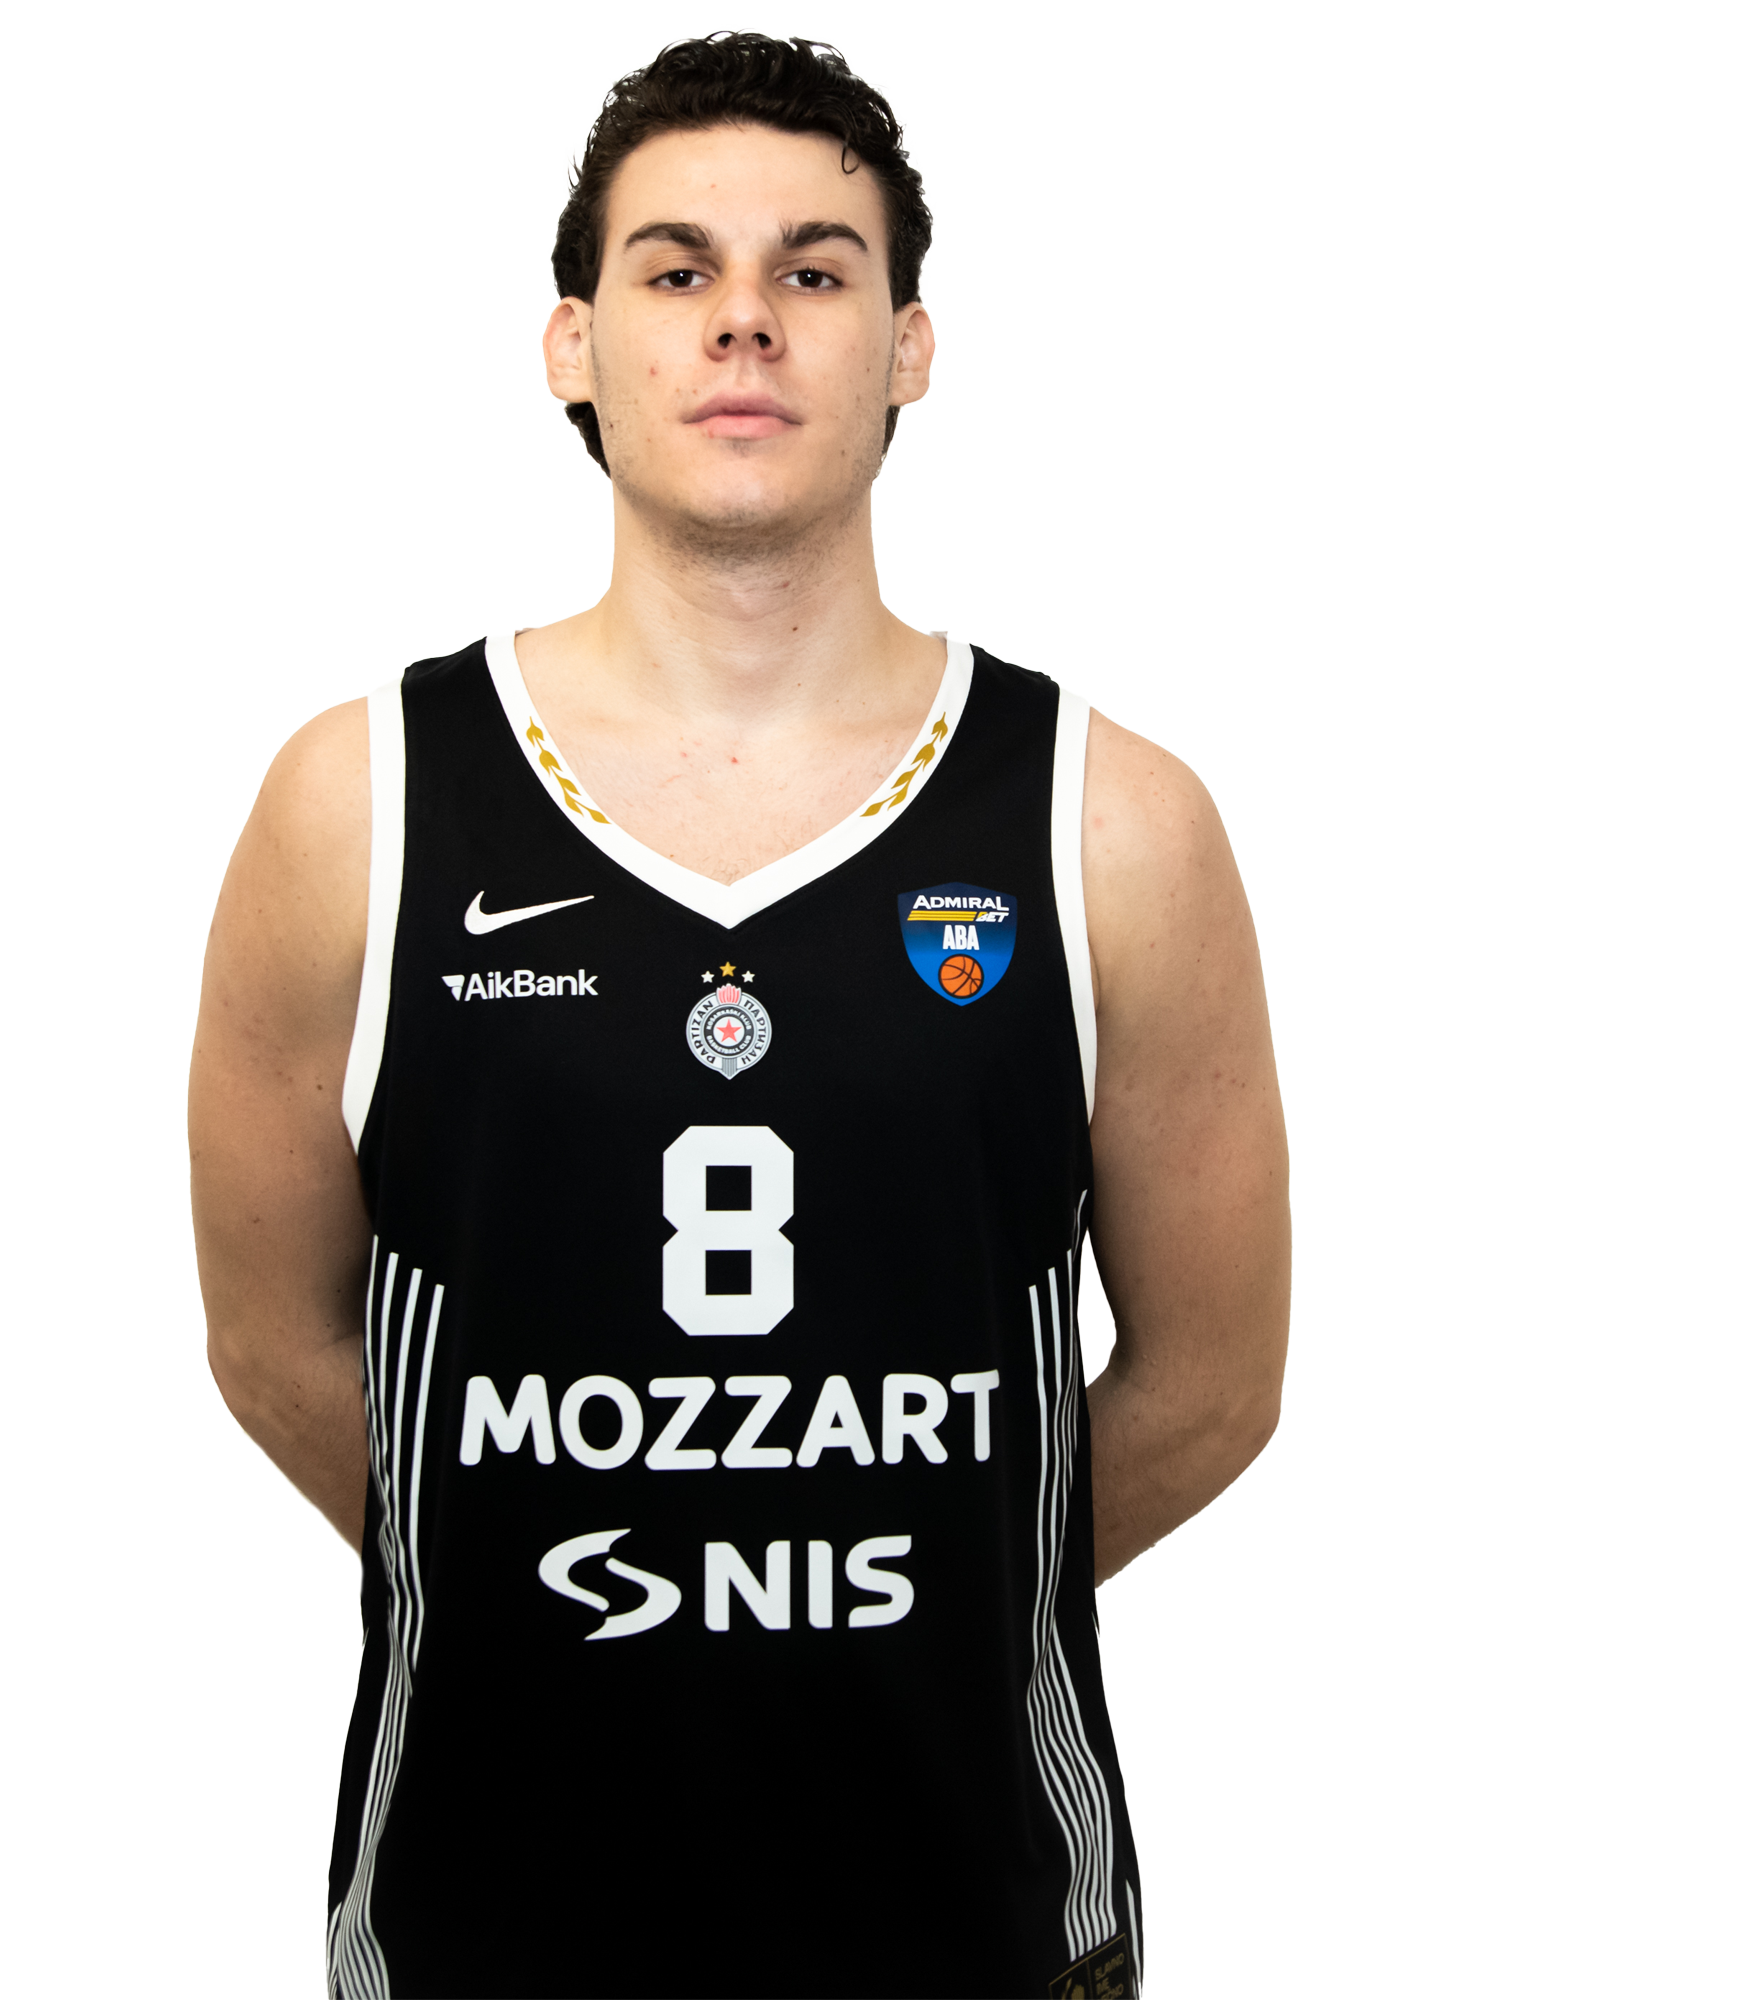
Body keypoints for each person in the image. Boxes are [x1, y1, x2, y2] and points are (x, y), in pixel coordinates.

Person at [189, 30, 1288, 1999]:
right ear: (575, 344)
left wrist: (925, 1585)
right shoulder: (360, 805)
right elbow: (275, 1342)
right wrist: (549, 1576)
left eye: (815, 269)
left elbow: (1210, 1381)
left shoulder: (1108, 822)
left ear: (907, 349)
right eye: (677, 268)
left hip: (970, 1925)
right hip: (485, 1925)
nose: (745, 321)